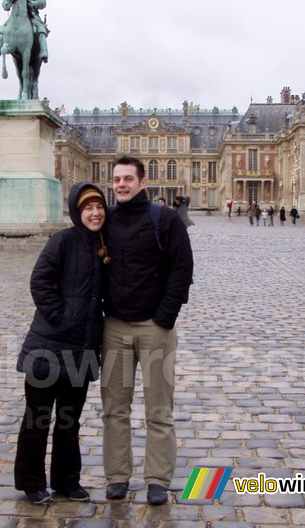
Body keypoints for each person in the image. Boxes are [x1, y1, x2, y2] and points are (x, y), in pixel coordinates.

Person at [101, 156, 194, 506]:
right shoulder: (104, 221)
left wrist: (164, 318)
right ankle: (117, 477)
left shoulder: (165, 220)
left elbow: (182, 270)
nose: (121, 184)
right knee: (114, 408)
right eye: (116, 179)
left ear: (143, 182)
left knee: (159, 408)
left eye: (128, 179)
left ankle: (157, 479)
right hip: (113, 327)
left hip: (155, 327)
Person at [14, 182, 108, 504]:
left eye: (99, 207)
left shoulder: (104, 245)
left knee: (69, 421)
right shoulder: (63, 240)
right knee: (37, 419)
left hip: (81, 349)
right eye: (87, 208)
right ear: (76, 212)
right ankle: (31, 482)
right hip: (48, 347)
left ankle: (67, 480)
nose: (95, 213)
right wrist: (61, 317)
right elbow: (39, 280)